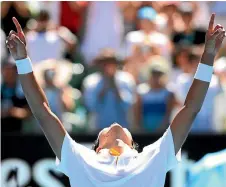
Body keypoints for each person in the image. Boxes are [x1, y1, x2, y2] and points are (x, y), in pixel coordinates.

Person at [6, 14, 225, 187]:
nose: (113, 126)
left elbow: (43, 113)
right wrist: (22, 60)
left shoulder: (81, 158)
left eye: (106, 128)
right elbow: (190, 109)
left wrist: (23, 61)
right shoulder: (150, 157)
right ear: (132, 143)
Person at [83, 49, 136, 130]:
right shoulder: (91, 81)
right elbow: (91, 107)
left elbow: (129, 106)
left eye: (111, 62)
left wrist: (116, 87)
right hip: (98, 130)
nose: (107, 66)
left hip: (122, 129)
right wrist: (104, 88)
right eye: (104, 63)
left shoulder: (126, 80)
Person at [135, 59, 176, 132]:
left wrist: (162, 128)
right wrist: (141, 128)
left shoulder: (169, 92)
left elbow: (168, 114)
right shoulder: (141, 91)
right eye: (154, 74)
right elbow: (138, 113)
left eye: (159, 74)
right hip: (145, 130)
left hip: (163, 130)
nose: (156, 77)